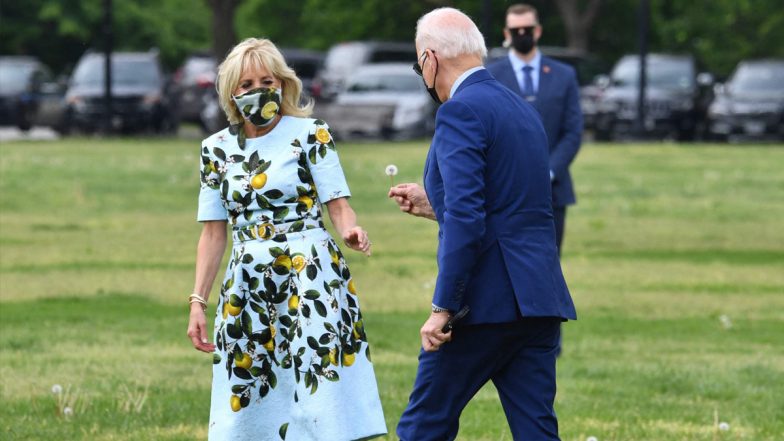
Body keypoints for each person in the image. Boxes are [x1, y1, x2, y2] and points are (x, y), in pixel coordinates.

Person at [389, 7, 576, 440]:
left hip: (483, 306)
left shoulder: (459, 111)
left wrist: (443, 308)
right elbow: (513, 204)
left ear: (431, 60)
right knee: (536, 431)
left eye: (420, 65)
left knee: (422, 428)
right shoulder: (522, 110)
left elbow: (468, 220)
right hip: (538, 300)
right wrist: (435, 202)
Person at [186, 38, 386, 441]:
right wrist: (198, 301)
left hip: (310, 274)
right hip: (248, 283)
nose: (257, 91)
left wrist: (351, 229)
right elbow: (212, 232)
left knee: (317, 388)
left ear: (282, 84)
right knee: (252, 388)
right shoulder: (215, 151)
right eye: (245, 84)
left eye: (266, 80)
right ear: (230, 92)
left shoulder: (312, 134)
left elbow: (339, 205)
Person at [486, 3, 583, 255]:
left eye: (527, 29)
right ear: (506, 34)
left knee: (549, 263)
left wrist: (548, 171)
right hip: (506, 190)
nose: (521, 35)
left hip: (552, 190)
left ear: (537, 31)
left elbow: (573, 132)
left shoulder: (564, 75)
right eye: (515, 30)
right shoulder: (491, 75)